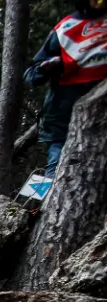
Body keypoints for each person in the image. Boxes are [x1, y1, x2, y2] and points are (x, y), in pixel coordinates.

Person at [26, 0, 107, 177]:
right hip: (64, 115)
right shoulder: (64, 29)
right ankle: (49, 194)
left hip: (100, 113)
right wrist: (46, 69)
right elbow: (31, 74)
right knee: (58, 167)